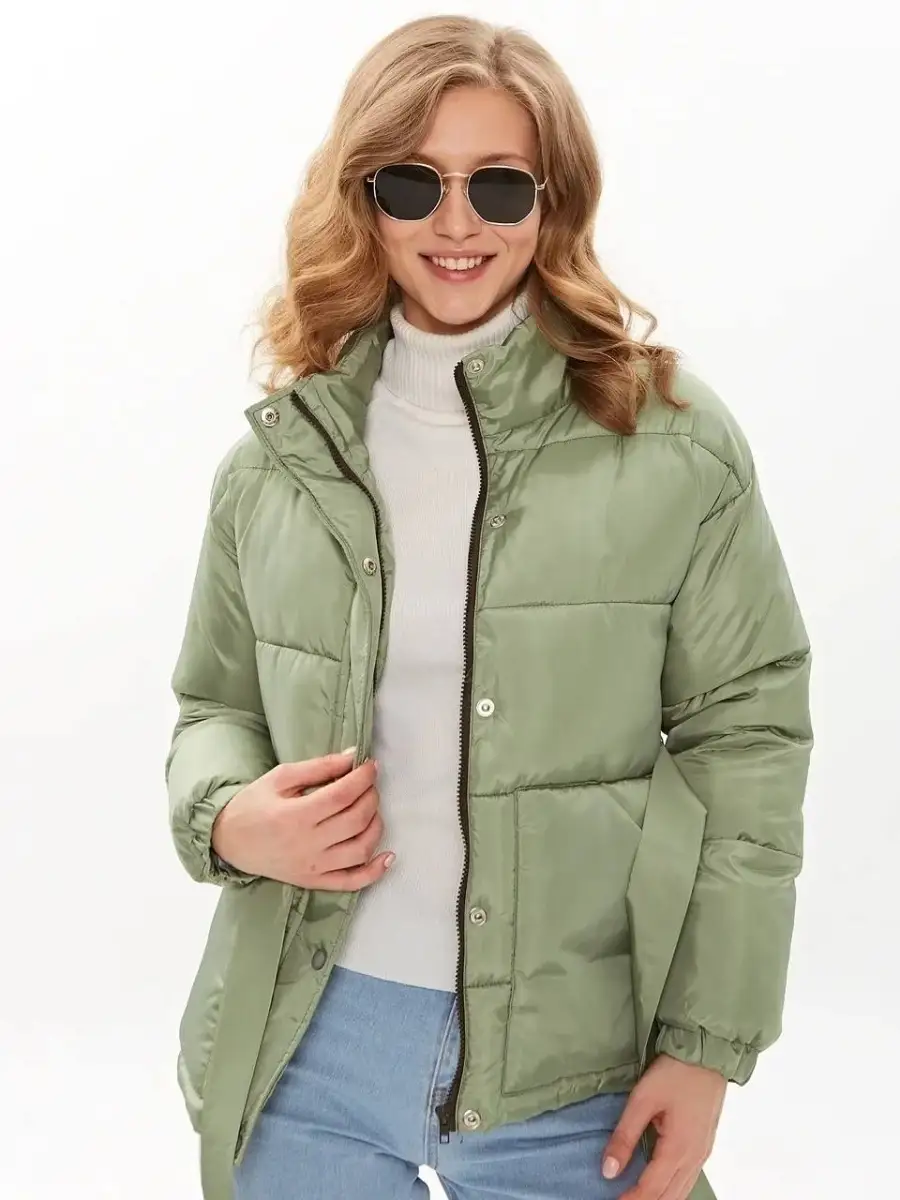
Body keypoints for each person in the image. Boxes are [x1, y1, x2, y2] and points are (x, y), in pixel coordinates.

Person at [164, 14, 814, 1200]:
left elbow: (748, 743)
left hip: (577, 1073)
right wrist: (226, 818)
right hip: (305, 1050)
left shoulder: (669, 441)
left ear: (552, 199)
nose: (456, 223)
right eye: (414, 183)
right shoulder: (280, 458)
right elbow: (215, 706)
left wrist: (707, 1045)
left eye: (499, 183)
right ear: (364, 197)